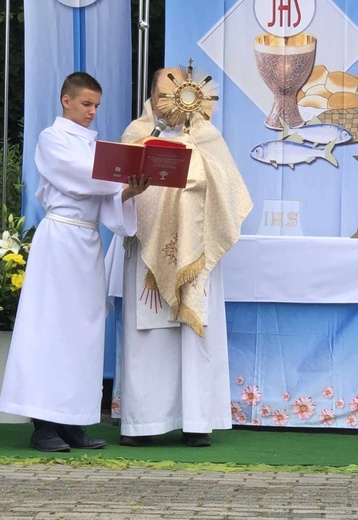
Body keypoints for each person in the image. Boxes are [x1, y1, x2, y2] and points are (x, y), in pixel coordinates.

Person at [0, 72, 150, 452]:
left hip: (86, 241)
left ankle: (73, 421)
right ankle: (43, 424)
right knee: (50, 327)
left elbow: (104, 201)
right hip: (59, 239)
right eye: (86, 104)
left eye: (96, 106)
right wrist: (120, 178)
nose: (92, 112)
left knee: (84, 331)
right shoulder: (52, 139)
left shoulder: (93, 146)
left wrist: (132, 188)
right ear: (66, 100)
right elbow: (82, 179)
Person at [105, 67, 252, 447]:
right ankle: (143, 423)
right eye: (163, 94)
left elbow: (229, 193)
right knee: (149, 335)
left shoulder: (209, 139)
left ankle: (197, 421)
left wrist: (194, 166)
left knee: (192, 337)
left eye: (177, 93)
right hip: (148, 252)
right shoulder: (136, 134)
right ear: (152, 98)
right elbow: (115, 186)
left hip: (196, 256)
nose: (170, 103)